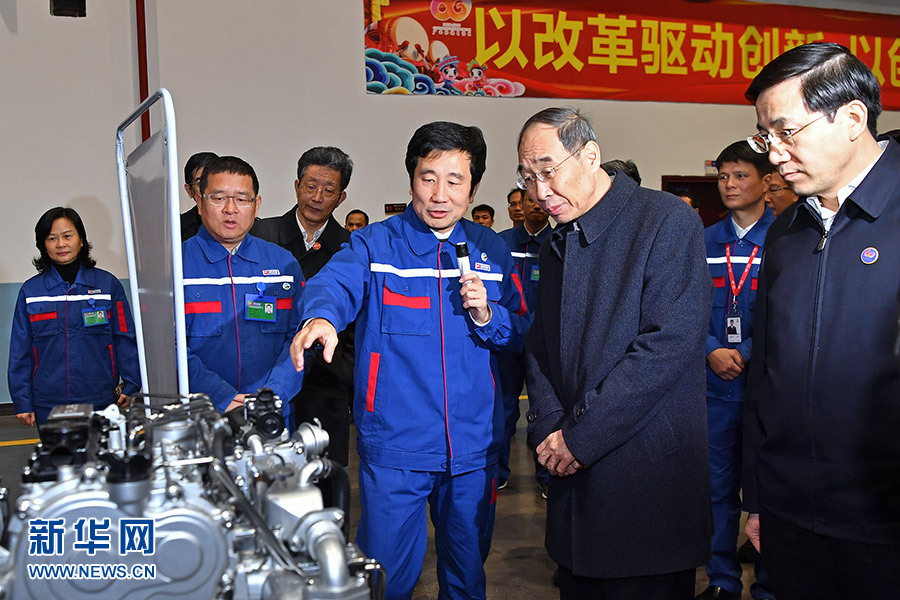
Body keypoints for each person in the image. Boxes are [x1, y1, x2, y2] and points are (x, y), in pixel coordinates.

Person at [289, 121, 528, 600]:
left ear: (473, 187)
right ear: (411, 179)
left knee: (466, 573)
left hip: (472, 447)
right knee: (386, 576)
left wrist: (488, 315)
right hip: (395, 443)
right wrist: (321, 317)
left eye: (455, 181)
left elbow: (520, 329)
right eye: (428, 178)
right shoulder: (375, 245)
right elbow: (334, 284)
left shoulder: (492, 250)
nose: (440, 195)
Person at [519, 107, 712, 599]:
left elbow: (667, 345)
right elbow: (541, 343)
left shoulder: (665, 221)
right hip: (570, 473)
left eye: (548, 171)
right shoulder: (558, 238)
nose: (539, 192)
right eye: (528, 177)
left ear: (590, 156)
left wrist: (579, 438)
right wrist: (550, 427)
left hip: (646, 475)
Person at [743, 42, 900, 599]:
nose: (775, 154)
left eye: (787, 132)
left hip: (884, 527)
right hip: (790, 518)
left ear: (853, 118)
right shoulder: (787, 233)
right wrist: (757, 498)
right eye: (766, 137)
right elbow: (765, 371)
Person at [697, 140, 775, 600]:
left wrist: (744, 349)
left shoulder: (787, 238)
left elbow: (788, 312)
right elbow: (682, 306)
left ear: (767, 181)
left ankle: (769, 583)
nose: (729, 184)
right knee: (717, 490)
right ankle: (722, 580)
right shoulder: (703, 241)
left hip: (766, 390)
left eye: (740, 175)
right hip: (713, 388)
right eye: (723, 176)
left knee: (768, 493)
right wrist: (710, 348)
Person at [182, 156, 303, 425]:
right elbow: (168, 347)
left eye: (242, 199)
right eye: (218, 198)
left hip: (271, 415)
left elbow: (299, 339)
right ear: (199, 202)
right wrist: (220, 396)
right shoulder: (175, 267)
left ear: (256, 204)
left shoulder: (283, 265)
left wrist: (275, 394)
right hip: (201, 416)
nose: (230, 209)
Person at [252, 146, 354, 464]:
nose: (317, 197)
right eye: (310, 186)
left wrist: (344, 373)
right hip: (262, 380)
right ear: (297, 186)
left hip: (324, 385)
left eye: (329, 190)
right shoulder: (260, 234)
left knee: (323, 479)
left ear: (341, 197)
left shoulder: (350, 248)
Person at [8, 207, 140, 427]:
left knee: (101, 449)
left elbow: (124, 337)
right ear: (43, 245)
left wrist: (132, 382)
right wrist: (22, 401)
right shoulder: (31, 292)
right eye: (52, 238)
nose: (61, 244)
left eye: (67, 236)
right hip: (48, 401)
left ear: (81, 239)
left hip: (100, 398)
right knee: (55, 451)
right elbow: (20, 350)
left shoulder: (107, 285)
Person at [496, 191, 551, 495]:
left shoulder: (559, 241)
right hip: (507, 342)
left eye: (541, 201)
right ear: (520, 205)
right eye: (529, 200)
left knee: (545, 412)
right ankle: (498, 472)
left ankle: (547, 477)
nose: (536, 205)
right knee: (503, 410)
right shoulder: (501, 243)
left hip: (544, 346)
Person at [180, 151, 219, 241]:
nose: (209, 188)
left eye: (214, 181)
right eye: (200, 183)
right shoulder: (177, 229)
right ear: (189, 190)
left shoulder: (244, 221)